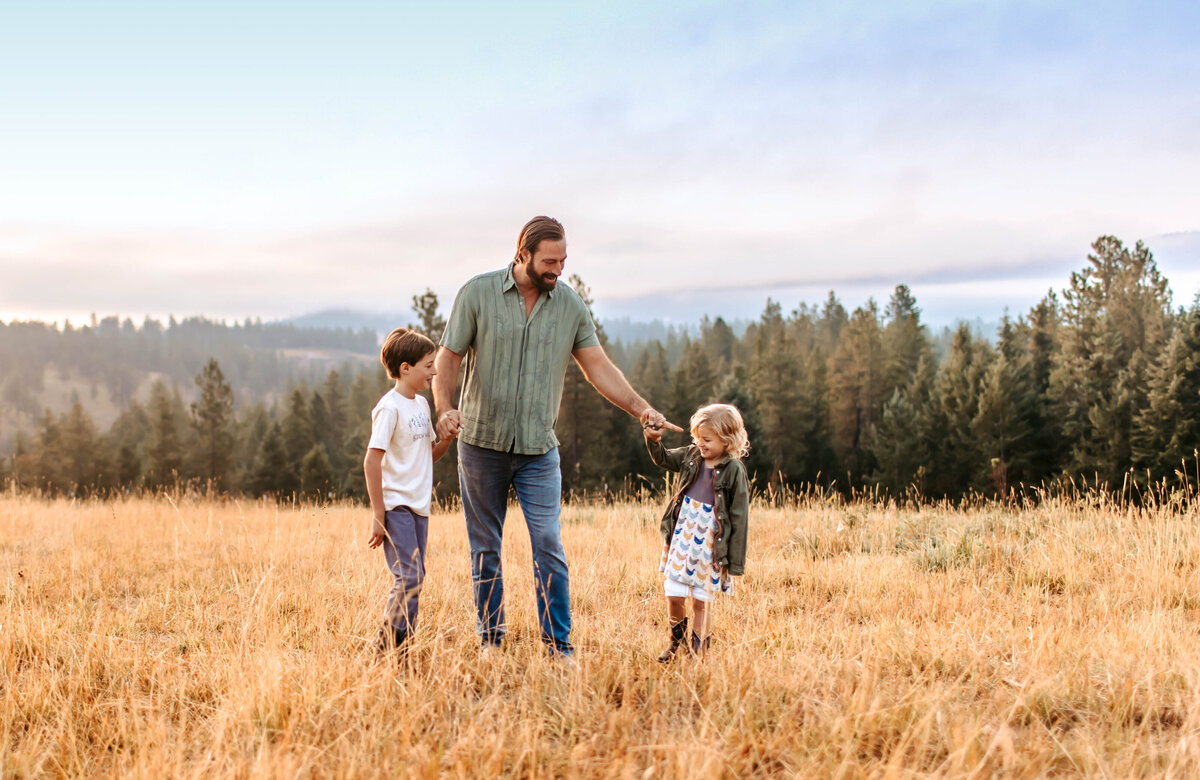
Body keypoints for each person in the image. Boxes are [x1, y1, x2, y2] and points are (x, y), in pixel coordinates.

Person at [433, 215, 680, 658]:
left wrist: (641, 408)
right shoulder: (477, 293)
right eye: (549, 261)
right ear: (522, 254)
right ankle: (491, 639)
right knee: (485, 548)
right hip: (480, 445)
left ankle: (558, 647)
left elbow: (599, 367)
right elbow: (447, 358)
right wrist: (445, 409)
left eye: (563, 260)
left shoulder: (569, 305)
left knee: (548, 544)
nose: (558, 270)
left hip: (538, 451)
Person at [364, 327, 457, 656]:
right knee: (410, 576)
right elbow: (372, 461)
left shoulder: (420, 405)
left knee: (416, 578)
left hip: (420, 507)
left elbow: (429, 454)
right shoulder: (390, 409)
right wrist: (379, 515)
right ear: (406, 368)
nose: (435, 371)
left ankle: (403, 653)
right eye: (429, 365)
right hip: (397, 506)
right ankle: (385, 648)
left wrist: (447, 436)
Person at [644, 403, 750, 661]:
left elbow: (739, 516)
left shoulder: (734, 470)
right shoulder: (691, 456)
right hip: (683, 537)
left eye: (707, 439)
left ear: (727, 440)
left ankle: (698, 650)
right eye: (697, 438)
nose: (700, 444)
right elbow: (663, 458)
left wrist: (733, 563)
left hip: (711, 545)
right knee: (674, 594)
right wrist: (653, 440)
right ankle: (675, 642)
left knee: (702, 601)